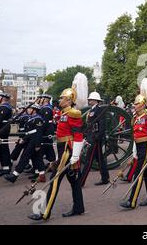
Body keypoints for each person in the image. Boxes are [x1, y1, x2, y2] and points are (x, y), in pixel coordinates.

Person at [28, 73, 87, 221]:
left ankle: (44, 213)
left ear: (69, 100)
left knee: (54, 180)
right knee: (74, 182)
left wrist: (75, 156)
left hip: (68, 151)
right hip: (63, 149)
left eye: (62, 98)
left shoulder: (73, 113)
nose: (60, 99)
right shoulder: (63, 113)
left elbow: (78, 136)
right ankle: (79, 207)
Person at [120, 78, 147, 209]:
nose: (134, 106)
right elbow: (136, 136)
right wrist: (135, 151)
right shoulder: (136, 118)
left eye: (136, 104)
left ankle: (132, 201)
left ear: (142, 104)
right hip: (140, 147)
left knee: (139, 173)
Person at [4, 103, 46, 183]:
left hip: (34, 141)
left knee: (24, 157)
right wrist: (23, 139)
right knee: (37, 158)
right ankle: (42, 176)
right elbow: (29, 132)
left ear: (34, 110)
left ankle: (14, 175)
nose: (28, 110)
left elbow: (38, 133)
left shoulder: (38, 119)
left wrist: (37, 145)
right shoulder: (31, 118)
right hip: (30, 140)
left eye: (30, 109)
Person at [80, 91, 110, 186]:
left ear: (96, 100)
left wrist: (98, 137)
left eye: (91, 99)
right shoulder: (92, 110)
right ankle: (105, 178)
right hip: (91, 136)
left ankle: (81, 181)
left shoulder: (99, 110)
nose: (89, 100)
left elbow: (102, 125)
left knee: (88, 160)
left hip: (95, 138)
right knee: (100, 159)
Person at [0, 92, 13, 175]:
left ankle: (6, 167)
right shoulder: (7, 107)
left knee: (2, 148)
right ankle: (7, 165)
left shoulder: (3, 107)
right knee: (4, 147)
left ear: (2, 98)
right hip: (4, 128)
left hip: (1, 129)